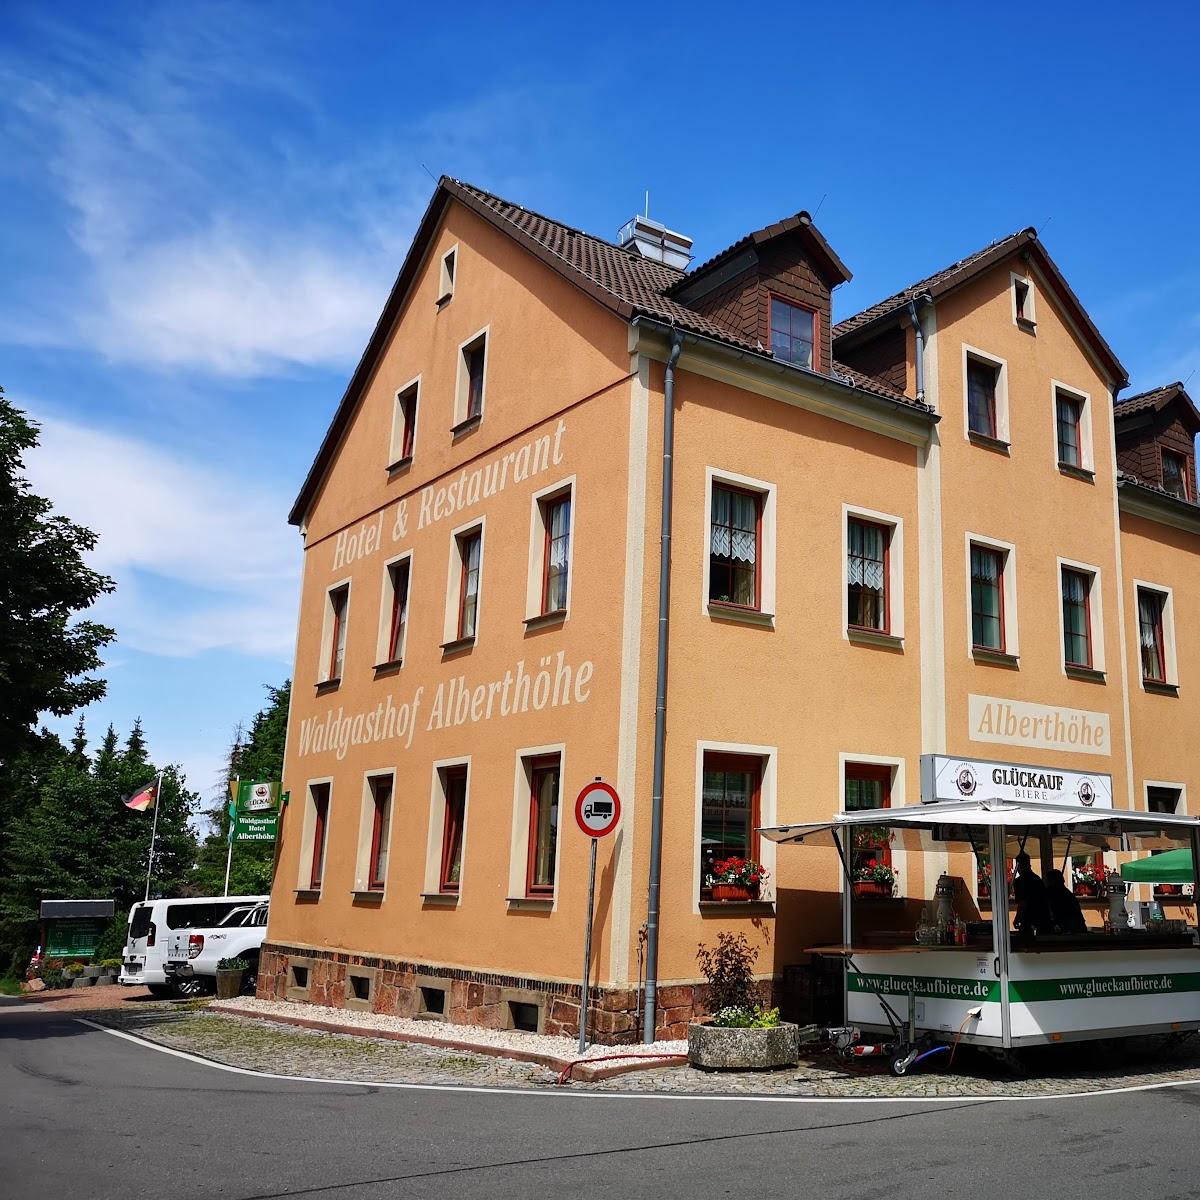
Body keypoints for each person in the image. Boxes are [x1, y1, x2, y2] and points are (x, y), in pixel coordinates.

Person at [1013, 852, 1053, 938]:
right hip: (1042, 919)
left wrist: (1017, 918)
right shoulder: (1037, 879)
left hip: (1028, 919)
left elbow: (1022, 903)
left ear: (1018, 866)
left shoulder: (1019, 881)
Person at [1045, 869, 1087, 934]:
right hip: (1074, 929)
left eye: (1049, 881)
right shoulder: (1067, 894)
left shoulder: (1062, 895)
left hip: (1070, 930)